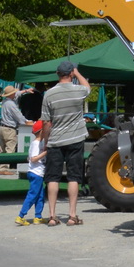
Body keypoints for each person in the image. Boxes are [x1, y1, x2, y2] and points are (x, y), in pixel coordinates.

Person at [39, 60, 90, 226]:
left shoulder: (49, 94)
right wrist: (78, 73)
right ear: (71, 74)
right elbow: (87, 87)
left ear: (57, 74)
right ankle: (72, 215)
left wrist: (46, 141)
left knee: (52, 177)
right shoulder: (79, 91)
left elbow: (46, 122)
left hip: (56, 140)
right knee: (73, 177)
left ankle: (52, 216)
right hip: (75, 139)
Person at [16, 121, 47, 226]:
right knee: (32, 195)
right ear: (42, 131)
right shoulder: (36, 143)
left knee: (40, 195)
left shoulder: (37, 143)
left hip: (37, 173)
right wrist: (45, 153)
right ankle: (21, 216)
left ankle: (38, 216)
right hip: (36, 173)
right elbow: (33, 159)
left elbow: (28, 157)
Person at [0, 85, 25, 154]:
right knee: (10, 151)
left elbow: (16, 95)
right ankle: (6, 165)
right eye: (14, 92)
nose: (15, 93)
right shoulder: (11, 104)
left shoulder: (4, 101)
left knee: (2, 151)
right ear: (12, 94)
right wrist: (27, 122)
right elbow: (19, 117)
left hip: (2, 128)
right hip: (9, 130)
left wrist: (25, 91)